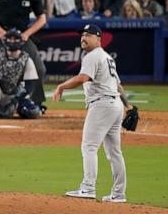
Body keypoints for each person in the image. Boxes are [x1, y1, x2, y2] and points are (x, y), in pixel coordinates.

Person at [53, 24, 130, 203]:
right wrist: (127, 105)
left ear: (98, 39)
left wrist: (61, 86)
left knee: (89, 146)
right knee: (114, 152)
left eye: (88, 35)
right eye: (82, 35)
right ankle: (118, 194)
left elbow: (82, 78)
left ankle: (88, 188)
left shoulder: (92, 56)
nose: (83, 38)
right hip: (115, 105)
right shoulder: (107, 57)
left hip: (102, 105)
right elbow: (118, 85)